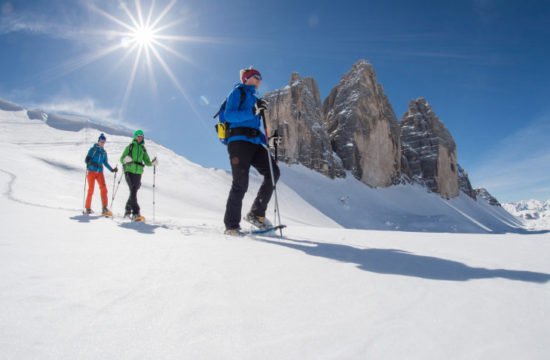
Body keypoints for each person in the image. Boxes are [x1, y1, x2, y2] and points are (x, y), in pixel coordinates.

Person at [223, 67, 280, 236]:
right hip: (238, 142)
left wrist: (268, 140)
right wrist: (253, 110)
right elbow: (229, 116)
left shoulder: (256, 100)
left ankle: (256, 213)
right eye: (257, 77)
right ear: (246, 78)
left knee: (273, 172)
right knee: (240, 183)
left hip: (254, 143)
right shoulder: (237, 93)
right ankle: (231, 226)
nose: (260, 80)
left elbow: (254, 128)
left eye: (260, 77)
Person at [120, 129, 157, 221]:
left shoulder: (143, 149)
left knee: (134, 191)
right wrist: (127, 160)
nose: (140, 137)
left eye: (142, 136)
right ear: (135, 137)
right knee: (132, 189)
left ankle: (127, 211)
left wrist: (153, 163)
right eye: (138, 136)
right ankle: (136, 212)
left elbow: (147, 162)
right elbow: (122, 159)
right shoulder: (130, 147)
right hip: (129, 170)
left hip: (138, 173)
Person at [84, 133, 118, 216]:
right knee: (91, 189)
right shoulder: (93, 149)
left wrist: (112, 169)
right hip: (91, 171)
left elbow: (105, 162)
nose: (102, 143)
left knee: (104, 189)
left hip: (100, 172)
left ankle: (104, 208)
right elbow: (87, 159)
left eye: (104, 141)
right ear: (98, 141)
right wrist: (88, 160)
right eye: (101, 141)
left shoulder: (103, 152)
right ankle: (88, 208)